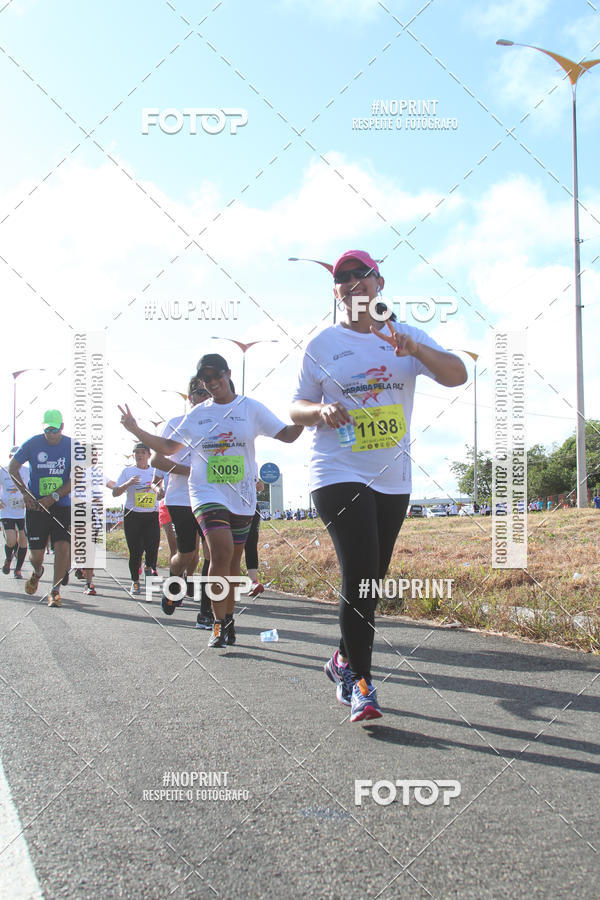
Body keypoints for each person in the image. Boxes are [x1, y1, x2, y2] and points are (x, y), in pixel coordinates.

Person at [290, 250, 467, 722]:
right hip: (336, 470)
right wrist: (320, 411)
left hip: (392, 477)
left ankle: (341, 658)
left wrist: (416, 350)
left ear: (379, 282)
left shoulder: (403, 335)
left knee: (371, 578)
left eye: (360, 274)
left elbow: (457, 375)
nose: (352, 282)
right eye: (342, 278)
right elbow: (296, 407)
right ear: (336, 292)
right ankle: (360, 683)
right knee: (360, 571)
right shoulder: (323, 344)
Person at [118, 353, 303, 647]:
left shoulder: (250, 408)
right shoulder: (198, 415)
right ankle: (216, 622)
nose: (212, 382)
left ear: (228, 373)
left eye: (216, 375)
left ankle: (228, 619)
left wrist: (305, 415)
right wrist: (136, 429)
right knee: (218, 551)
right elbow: (168, 447)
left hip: (241, 496)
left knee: (232, 561)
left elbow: (288, 435)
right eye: (205, 379)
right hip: (205, 493)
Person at [150, 377, 213, 624]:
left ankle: (206, 612)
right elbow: (157, 461)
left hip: (212, 498)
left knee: (213, 554)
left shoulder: (220, 425)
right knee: (186, 554)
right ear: (190, 397)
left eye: (209, 392)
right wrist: (191, 471)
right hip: (181, 499)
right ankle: (174, 584)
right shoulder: (176, 424)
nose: (205, 397)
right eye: (200, 392)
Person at [9, 410, 72, 606]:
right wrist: (25, 493)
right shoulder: (32, 443)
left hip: (61, 506)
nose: (51, 434)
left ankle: (55, 591)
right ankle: (38, 571)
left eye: (55, 430)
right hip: (36, 507)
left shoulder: (73, 446)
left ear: (62, 427)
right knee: (36, 556)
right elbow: (12, 467)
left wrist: (53, 497)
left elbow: (78, 477)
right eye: (47, 430)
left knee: (62, 547)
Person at [112, 443, 162, 595]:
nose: (139, 455)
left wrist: (160, 493)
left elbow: (161, 491)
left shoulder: (155, 471)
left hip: (151, 514)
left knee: (152, 548)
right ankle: (135, 582)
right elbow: (115, 492)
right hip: (132, 515)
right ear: (133, 455)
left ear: (149, 455)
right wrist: (128, 483)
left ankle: (148, 566)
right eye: (137, 452)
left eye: (143, 452)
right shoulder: (128, 471)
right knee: (135, 551)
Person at [1, 447, 29, 578]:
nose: (15, 459)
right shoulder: (3, 470)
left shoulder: (27, 471)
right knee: (11, 541)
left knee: (23, 541)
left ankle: (18, 570)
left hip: (23, 511)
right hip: (7, 511)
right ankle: (8, 559)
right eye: (12, 456)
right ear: (9, 457)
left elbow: (33, 487)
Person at [244, 479, 265, 598]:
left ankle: (253, 582)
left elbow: (261, 486)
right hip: (230, 506)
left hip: (251, 507)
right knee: (231, 546)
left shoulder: (252, 467)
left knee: (251, 544)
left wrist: (253, 484)